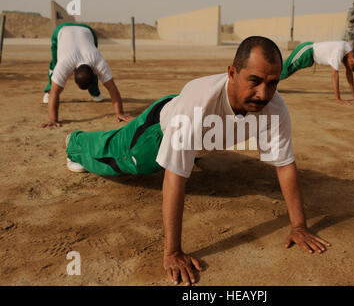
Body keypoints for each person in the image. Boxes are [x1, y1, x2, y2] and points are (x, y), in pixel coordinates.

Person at [65, 36, 331, 285]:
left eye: (272, 83)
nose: (264, 93)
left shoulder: (274, 108)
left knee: (187, 148)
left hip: (188, 122)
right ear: (231, 73)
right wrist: (173, 252)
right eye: (255, 80)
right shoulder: (198, 105)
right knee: (115, 157)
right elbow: (174, 178)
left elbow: (284, 164)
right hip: (156, 133)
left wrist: (299, 226)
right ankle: (75, 142)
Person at [41, 22, 132, 128]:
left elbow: (113, 89)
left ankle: (94, 92)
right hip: (61, 30)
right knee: (54, 66)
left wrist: (120, 113)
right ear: (72, 73)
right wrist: (53, 119)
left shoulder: (98, 62)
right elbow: (54, 92)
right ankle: (47, 90)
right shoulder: (64, 65)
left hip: (88, 31)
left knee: (59, 82)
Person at [280, 40, 354, 105]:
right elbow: (334, 76)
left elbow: (349, 74)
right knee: (284, 71)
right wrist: (338, 99)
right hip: (306, 52)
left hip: (309, 57)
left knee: (285, 71)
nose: (348, 68)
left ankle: (268, 79)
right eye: (349, 67)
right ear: (352, 60)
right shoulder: (338, 52)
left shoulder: (348, 49)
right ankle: (267, 78)